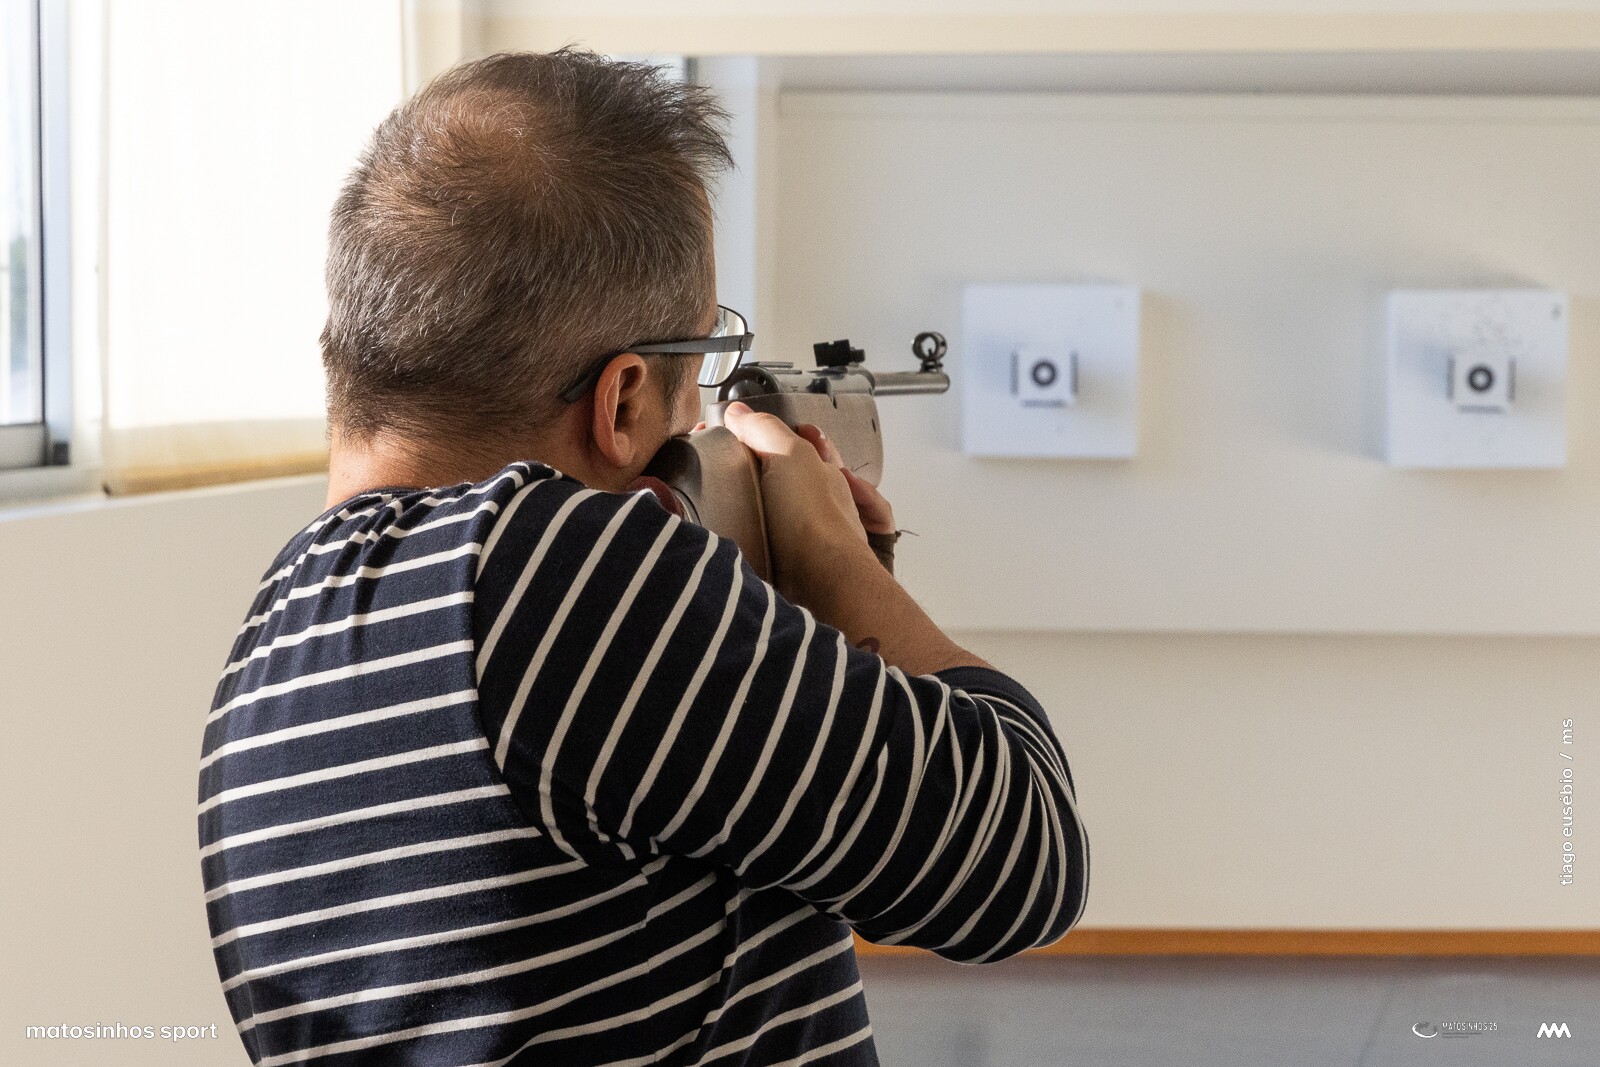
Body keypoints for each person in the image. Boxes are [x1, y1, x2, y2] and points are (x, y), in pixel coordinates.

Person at [197, 47, 1088, 1066]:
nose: (699, 408)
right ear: (621, 402)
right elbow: (1026, 861)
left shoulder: (271, 647)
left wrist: (786, 613)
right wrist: (835, 560)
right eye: (696, 363)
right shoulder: (552, 572)